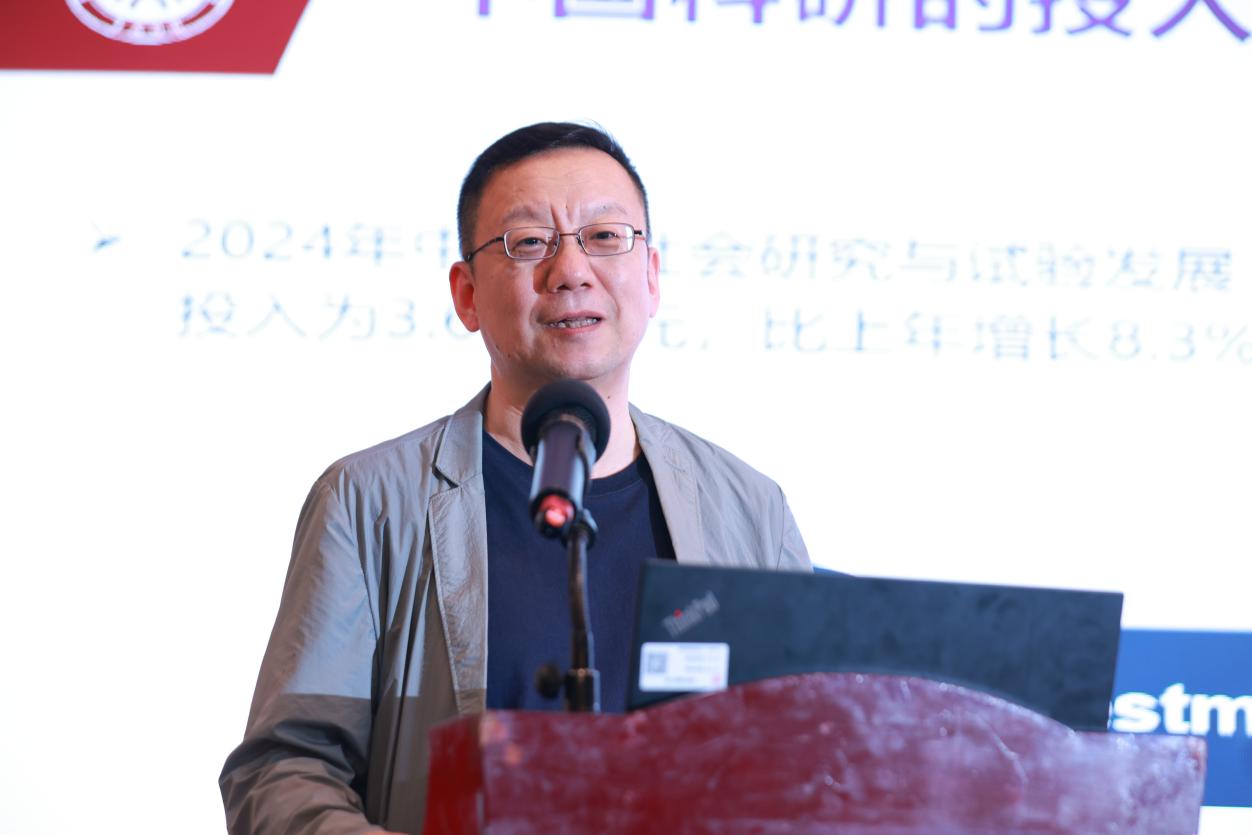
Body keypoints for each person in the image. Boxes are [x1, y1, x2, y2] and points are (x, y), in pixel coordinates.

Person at [219, 122, 811, 835]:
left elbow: (812, 754)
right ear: (466, 293)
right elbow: (282, 769)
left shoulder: (751, 509)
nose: (571, 270)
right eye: (529, 242)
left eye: (605, 236)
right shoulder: (370, 501)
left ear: (652, 276)